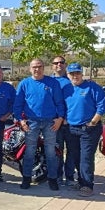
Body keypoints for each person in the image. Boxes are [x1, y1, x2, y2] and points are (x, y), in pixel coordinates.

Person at [13, 58, 66, 191]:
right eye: (34, 67)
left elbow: (59, 102)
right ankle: (26, 179)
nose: (37, 69)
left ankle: (52, 179)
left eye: (39, 66)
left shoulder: (52, 83)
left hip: (50, 122)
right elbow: (17, 105)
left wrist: (60, 119)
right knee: (29, 152)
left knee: (50, 152)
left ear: (44, 67)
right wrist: (21, 120)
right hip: (31, 122)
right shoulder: (24, 84)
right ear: (30, 68)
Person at [61, 63, 105, 197]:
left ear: (82, 73)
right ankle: (81, 181)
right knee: (75, 156)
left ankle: (88, 185)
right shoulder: (66, 89)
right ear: (68, 75)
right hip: (71, 129)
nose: (75, 76)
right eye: (72, 73)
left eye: (77, 73)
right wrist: (64, 119)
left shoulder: (92, 87)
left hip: (89, 129)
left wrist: (93, 122)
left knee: (86, 158)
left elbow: (102, 106)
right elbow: (64, 106)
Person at [50, 56, 73, 186]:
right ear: (52, 65)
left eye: (61, 62)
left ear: (65, 65)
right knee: (57, 150)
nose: (59, 65)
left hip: (70, 122)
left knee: (71, 151)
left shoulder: (72, 80)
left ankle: (69, 177)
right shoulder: (48, 81)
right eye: (56, 63)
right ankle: (58, 176)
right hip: (55, 122)